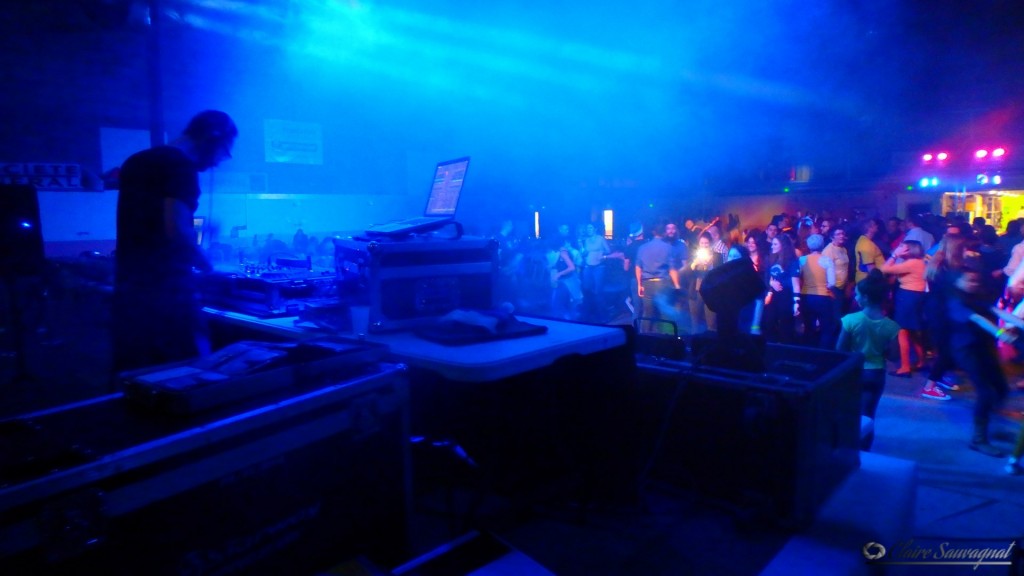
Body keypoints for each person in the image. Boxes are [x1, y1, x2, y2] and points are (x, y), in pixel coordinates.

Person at [111, 110, 237, 376]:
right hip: (168, 293)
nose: (218, 161)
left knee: (139, 375)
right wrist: (209, 268)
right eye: (224, 151)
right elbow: (176, 230)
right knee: (189, 373)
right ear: (212, 137)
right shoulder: (180, 166)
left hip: (130, 288)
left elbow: (149, 221)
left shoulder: (137, 161)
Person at [836, 269, 900, 450]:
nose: (855, 297)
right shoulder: (891, 326)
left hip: (854, 372)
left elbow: (840, 350)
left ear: (864, 297)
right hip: (876, 373)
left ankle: (848, 448)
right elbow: (894, 356)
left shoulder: (850, 320)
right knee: (868, 415)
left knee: (849, 412)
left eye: (857, 294)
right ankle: (865, 451)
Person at [880, 240, 928, 379]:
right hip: (914, 297)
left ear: (910, 249)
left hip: (908, 297)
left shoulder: (912, 263)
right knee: (912, 332)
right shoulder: (918, 262)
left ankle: (905, 367)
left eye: (902, 247)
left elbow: (884, 269)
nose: (899, 248)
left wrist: (895, 255)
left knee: (902, 331)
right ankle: (921, 361)